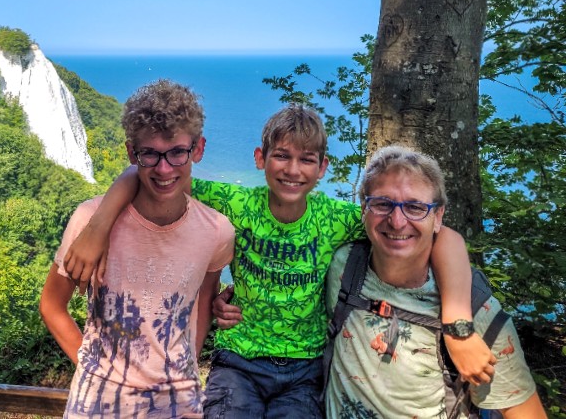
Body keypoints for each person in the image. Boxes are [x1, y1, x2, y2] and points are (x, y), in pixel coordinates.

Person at [64, 104, 494, 418]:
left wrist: (457, 323)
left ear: (323, 167)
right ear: (260, 159)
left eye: (307, 159)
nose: (293, 169)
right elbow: (153, 174)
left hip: (305, 368)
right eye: (281, 156)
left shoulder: (338, 218)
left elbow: (442, 235)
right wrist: (99, 227)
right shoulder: (235, 202)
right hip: (238, 361)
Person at [39, 79, 235, 418]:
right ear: (132, 153)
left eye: (177, 152)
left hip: (178, 401)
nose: (164, 168)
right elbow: (52, 305)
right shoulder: (89, 219)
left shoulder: (216, 231)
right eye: (150, 154)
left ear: (198, 149)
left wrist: (187, 362)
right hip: (96, 401)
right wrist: (90, 366)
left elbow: (203, 298)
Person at [323, 145, 546, 418]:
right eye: (382, 204)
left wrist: (458, 327)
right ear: (364, 210)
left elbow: (525, 412)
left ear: (438, 216)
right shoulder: (344, 265)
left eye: (415, 207)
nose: (396, 221)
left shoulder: (478, 311)